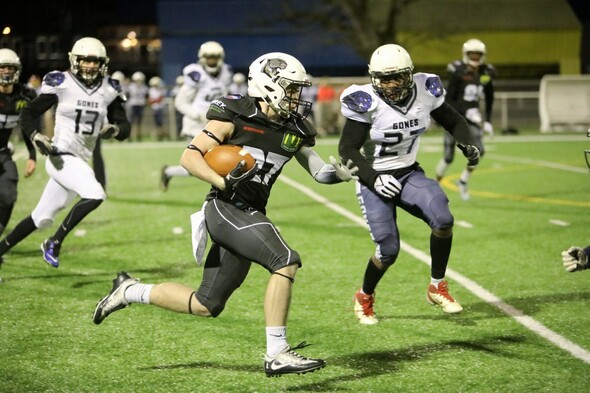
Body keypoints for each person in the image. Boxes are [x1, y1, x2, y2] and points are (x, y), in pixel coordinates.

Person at [93, 52, 358, 377]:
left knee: (207, 303)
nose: (296, 97)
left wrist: (339, 174)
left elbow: (319, 173)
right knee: (285, 259)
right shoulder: (234, 113)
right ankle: (277, 353)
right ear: (269, 85)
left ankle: (129, 290)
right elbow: (190, 157)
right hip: (225, 206)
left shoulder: (295, 128)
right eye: (290, 89)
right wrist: (223, 181)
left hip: (249, 213)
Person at [338, 44, 480, 325]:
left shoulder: (426, 89)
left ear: (409, 74)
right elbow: (348, 150)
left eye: (397, 78)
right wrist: (375, 179)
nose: (391, 85)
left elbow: (453, 119)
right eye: (384, 79)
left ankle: (437, 286)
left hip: (408, 173)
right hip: (373, 177)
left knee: (443, 218)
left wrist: (466, 143)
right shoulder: (365, 100)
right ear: (373, 78)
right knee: (388, 250)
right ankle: (364, 295)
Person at [0, 37, 130, 268]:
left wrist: (116, 128)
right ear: (75, 60)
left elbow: (124, 126)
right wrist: (35, 135)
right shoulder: (62, 82)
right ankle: (54, 242)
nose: (90, 65)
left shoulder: (109, 89)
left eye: (94, 61)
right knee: (96, 193)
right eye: (85, 60)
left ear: (103, 63)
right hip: (60, 155)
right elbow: (28, 114)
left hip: (79, 161)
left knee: (40, 217)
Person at [160, 41, 233, 191]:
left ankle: (224, 193)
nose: (212, 61)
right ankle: (168, 172)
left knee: (221, 159)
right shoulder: (196, 74)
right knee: (197, 165)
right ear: (202, 58)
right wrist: (198, 115)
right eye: (209, 57)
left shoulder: (225, 73)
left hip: (216, 123)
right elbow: (180, 102)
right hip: (196, 125)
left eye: (214, 57)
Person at [434, 38, 496, 200]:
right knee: (448, 157)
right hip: (454, 118)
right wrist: (466, 111)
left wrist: (488, 120)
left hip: (471, 119)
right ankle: (435, 185)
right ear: (466, 54)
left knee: (479, 151)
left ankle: (463, 180)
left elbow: (490, 97)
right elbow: (449, 100)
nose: (475, 57)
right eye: (472, 54)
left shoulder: (485, 73)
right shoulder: (458, 72)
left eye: (478, 54)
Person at [0, 49, 37, 242]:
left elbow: (26, 125)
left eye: (10, 67)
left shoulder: (24, 95)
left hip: (2, 153)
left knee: (8, 197)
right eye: (2, 67)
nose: (6, 71)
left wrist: (32, 155)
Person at [127, 71, 148, 141]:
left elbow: (146, 96)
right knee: (131, 121)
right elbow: (128, 96)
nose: (138, 81)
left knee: (139, 122)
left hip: (140, 105)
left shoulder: (144, 87)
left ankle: (138, 136)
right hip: (133, 105)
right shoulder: (130, 87)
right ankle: (129, 136)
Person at [148, 76, 168, 140]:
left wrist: (154, 100)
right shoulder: (151, 90)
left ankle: (162, 135)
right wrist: (154, 100)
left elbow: (159, 99)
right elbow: (150, 100)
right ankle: (157, 135)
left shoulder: (161, 90)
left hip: (161, 108)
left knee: (161, 123)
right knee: (156, 123)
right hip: (154, 108)